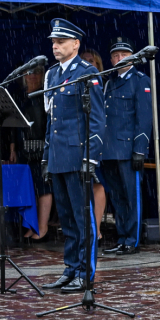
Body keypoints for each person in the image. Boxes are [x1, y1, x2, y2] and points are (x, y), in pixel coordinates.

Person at [40, 20, 106, 295]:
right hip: (58, 156)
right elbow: (52, 121)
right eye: (54, 42)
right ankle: (70, 269)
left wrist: (90, 159)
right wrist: (46, 156)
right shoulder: (53, 75)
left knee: (82, 218)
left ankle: (85, 272)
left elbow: (98, 120)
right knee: (66, 218)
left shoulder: (87, 73)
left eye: (62, 41)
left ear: (75, 44)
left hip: (78, 155)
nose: (56, 46)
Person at [100, 37, 152, 256]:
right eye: (115, 55)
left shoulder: (140, 80)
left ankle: (132, 240)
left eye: (123, 54)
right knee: (117, 198)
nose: (119, 58)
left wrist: (140, 149)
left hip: (128, 149)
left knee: (132, 197)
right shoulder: (109, 83)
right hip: (110, 150)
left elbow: (144, 117)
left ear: (132, 57)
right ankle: (122, 238)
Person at [19, 68, 53, 241]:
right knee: (30, 187)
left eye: (36, 72)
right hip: (24, 149)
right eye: (28, 72)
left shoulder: (44, 96)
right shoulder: (22, 96)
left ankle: (43, 226)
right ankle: (33, 225)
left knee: (44, 186)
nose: (32, 76)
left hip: (41, 148)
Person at [80, 49, 108, 245]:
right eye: (85, 61)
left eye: (92, 61)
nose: (88, 64)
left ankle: (96, 228)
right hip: (78, 142)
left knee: (97, 184)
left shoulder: (100, 85)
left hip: (97, 143)